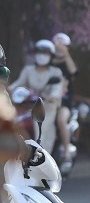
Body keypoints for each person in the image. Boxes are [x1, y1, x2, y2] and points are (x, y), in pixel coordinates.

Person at [10, 39, 63, 153]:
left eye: (45, 53)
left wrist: (51, 96)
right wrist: (6, 89)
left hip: (47, 108)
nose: (41, 55)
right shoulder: (28, 70)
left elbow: (56, 90)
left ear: (51, 56)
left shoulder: (56, 72)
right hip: (28, 106)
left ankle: (41, 155)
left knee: (40, 133)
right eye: (39, 52)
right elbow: (18, 83)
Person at [50, 33, 78, 172]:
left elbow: (73, 71)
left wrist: (65, 54)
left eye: (64, 46)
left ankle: (66, 152)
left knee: (61, 120)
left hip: (64, 103)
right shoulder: (48, 63)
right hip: (48, 101)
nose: (60, 49)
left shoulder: (69, 63)